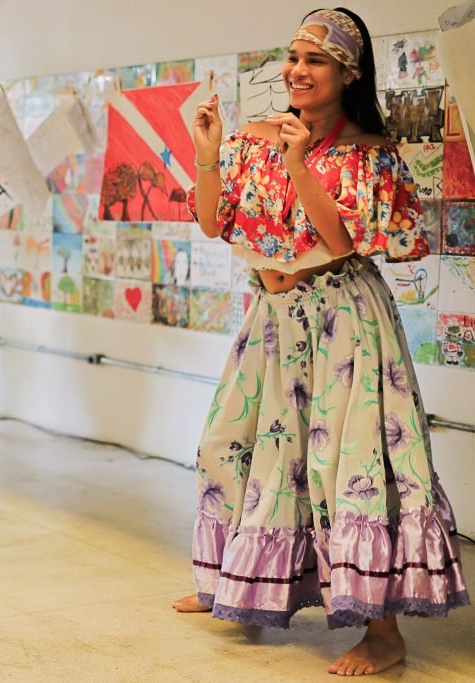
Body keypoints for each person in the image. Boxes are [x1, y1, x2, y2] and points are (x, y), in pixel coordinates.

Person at [174, 8, 469, 677]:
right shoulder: (253, 136)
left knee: (352, 466)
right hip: (273, 320)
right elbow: (216, 222)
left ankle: (383, 632)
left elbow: (338, 242)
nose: (297, 71)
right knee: (232, 445)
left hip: (344, 321)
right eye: (293, 57)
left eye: (316, 61)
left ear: (347, 73)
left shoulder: (370, 151)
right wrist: (209, 152)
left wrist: (300, 161)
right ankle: (230, 582)